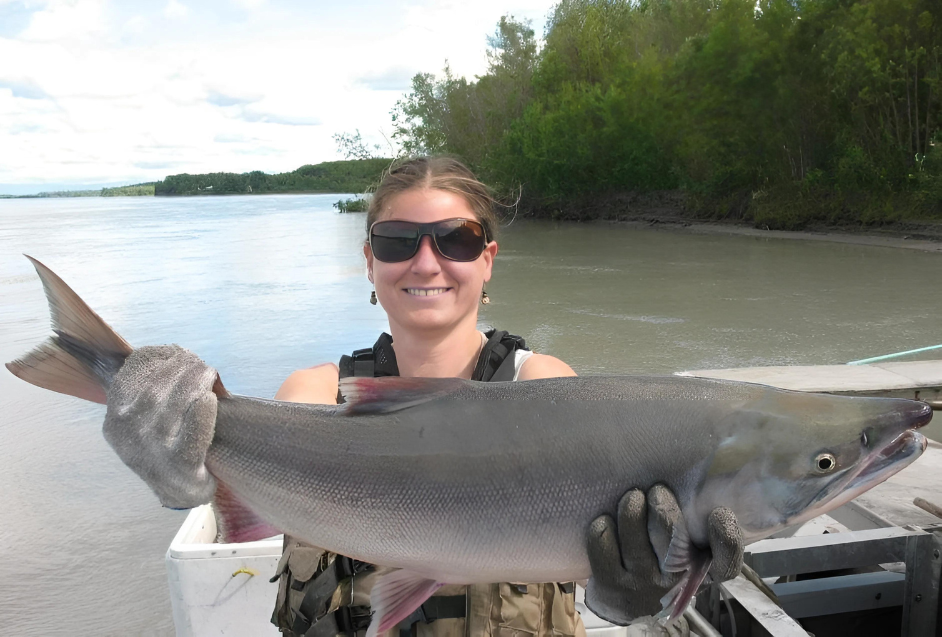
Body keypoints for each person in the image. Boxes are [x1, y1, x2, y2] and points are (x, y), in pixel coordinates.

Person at [101, 156, 743, 637]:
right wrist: (174, 459)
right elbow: (226, 485)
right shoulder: (317, 395)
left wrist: (646, 588)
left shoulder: (545, 389)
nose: (427, 262)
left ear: (487, 260)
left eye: (455, 240)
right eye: (398, 241)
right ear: (370, 261)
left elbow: (598, 569)